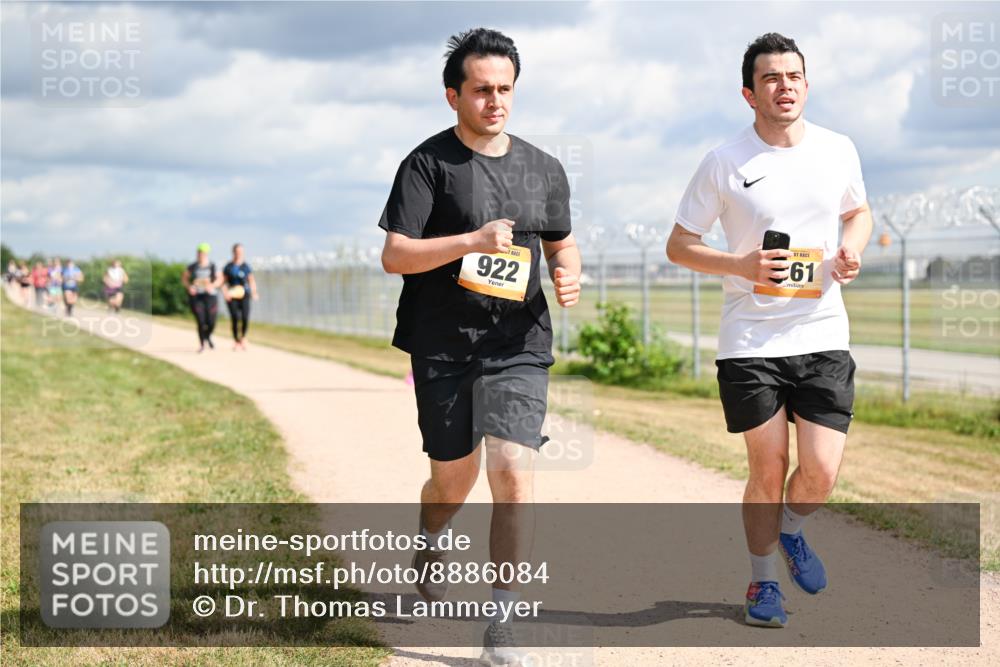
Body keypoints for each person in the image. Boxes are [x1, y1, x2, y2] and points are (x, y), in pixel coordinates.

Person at [379, 28, 581, 665]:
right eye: (482, 90)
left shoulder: (544, 168)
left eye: (505, 90)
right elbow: (396, 256)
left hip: (518, 342)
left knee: (512, 472)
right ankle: (432, 537)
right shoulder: (426, 165)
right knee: (453, 479)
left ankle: (502, 624)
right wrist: (470, 242)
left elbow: (560, 242)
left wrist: (569, 269)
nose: (496, 101)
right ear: (453, 95)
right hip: (441, 344)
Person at [666, 33, 872, 628]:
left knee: (821, 471)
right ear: (748, 93)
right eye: (772, 79)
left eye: (794, 76)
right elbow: (680, 244)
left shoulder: (838, 149)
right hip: (751, 342)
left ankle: (792, 531)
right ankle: (762, 586)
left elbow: (857, 212)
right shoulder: (725, 162)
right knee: (766, 467)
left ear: (807, 84)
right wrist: (738, 265)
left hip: (822, 331)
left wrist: (852, 250)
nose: (785, 86)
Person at [181, 243, 222, 353]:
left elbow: (220, 280)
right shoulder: (192, 266)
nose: (200, 255)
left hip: (210, 296)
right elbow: (184, 279)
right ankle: (202, 344)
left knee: (211, 322)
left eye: (203, 253)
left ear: (207, 254)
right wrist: (190, 287)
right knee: (201, 320)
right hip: (197, 297)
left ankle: (207, 336)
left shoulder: (213, 266)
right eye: (199, 253)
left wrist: (212, 286)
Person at [222, 243, 258, 350]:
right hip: (232, 296)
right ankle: (236, 340)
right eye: (237, 251)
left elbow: (251, 280)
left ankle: (243, 337)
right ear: (233, 252)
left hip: (244, 295)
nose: (239, 254)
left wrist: (254, 292)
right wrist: (225, 293)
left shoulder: (246, 266)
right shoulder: (228, 267)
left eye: (241, 251)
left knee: (245, 317)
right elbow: (223, 282)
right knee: (235, 318)